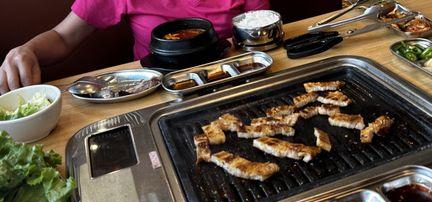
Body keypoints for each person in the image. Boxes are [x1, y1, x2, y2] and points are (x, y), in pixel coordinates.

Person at [0, 0, 269, 94]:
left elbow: (259, 34)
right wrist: (28, 50)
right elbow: (63, 37)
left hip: (232, 81)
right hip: (154, 92)